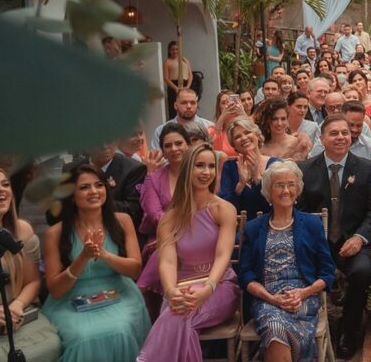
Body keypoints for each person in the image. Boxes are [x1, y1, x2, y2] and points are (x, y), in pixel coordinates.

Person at [136, 144, 240, 362]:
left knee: (178, 315)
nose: (206, 172)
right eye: (199, 165)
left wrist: (208, 288)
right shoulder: (169, 218)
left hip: (218, 286)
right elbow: (167, 262)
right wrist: (171, 291)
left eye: (211, 166)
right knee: (181, 317)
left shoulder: (224, 209)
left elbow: (223, 255)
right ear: (187, 169)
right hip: (180, 290)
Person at [42, 164, 150, 362]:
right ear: (71, 196)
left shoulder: (123, 220)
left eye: (99, 185)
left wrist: (105, 255)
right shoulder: (55, 233)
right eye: (84, 187)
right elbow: (56, 290)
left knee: (120, 328)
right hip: (69, 299)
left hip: (119, 292)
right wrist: (82, 257)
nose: (94, 192)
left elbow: (135, 270)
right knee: (83, 336)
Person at [297, 116, 371, 359]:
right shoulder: (305, 169)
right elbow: (300, 213)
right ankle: (306, 329)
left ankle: (348, 330)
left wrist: (359, 238)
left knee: (363, 271)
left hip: (352, 243)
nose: (341, 137)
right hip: (317, 245)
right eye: (333, 133)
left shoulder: (365, 168)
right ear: (322, 139)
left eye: (345, 133)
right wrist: (316, 245)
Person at [239, 161, 335, 362]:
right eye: (279, 185)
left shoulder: (311, 224)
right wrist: (271, 298)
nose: (286, 190)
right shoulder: (254, 228)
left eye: (291, 184)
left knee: (276, 330)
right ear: (268, 191)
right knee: (275, 327)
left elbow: (327, 273)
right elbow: (245, 275)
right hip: (267, 300)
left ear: (298, 190)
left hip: (304, 299)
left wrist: (304, 293)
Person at [0, 167, 61, 362]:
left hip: (18, 312)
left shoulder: (23, 230)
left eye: (5, 184)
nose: (0, 190)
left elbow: (32, 281)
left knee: (51, 344)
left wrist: (17, 307)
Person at [136, 124, 192, 302]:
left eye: (178, 143)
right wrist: (174, 234)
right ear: (162, 151)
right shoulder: (154, 178)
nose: (174, 149)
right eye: (168, 145)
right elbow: (154, 214)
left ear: (188, 145)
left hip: (197, 231)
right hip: (162, 236)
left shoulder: (200, 172)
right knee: (164, 249)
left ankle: (143, 289)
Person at [65, 143, 147, 227]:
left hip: (119, 229)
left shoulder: (134, 169)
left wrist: (95, 202)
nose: (104, 146)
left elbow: (136, 210)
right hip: (79, 227)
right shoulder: (70, 170)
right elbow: (56, 215)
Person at [219, 116, 281, 217]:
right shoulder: (229, 166)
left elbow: (277, 204)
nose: (244, 138)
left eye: (247, 132)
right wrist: (240, 185)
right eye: (237, 137)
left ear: (257, 135)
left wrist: (257, 178)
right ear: (233, 145)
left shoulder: (276, 165)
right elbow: (224, 207)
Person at [163, 41, 192, 120]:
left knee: (187, 106)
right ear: (169, 51)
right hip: (174, 87)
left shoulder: (185, 60)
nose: (175, 51)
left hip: (185, 85)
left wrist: (187, 87)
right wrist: (176, 88)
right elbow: (166, 78)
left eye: (176, 49)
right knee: (174, 109)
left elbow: (190, 75)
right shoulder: (167, 62)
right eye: (172, 49)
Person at [209, 91, 242, 158]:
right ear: (219, 108)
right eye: (224, 103)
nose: (228, 105)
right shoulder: (212, 130)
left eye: (231, 102)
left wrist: (242, 113)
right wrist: (223, 116)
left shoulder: (243, 127)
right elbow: (213, 149)